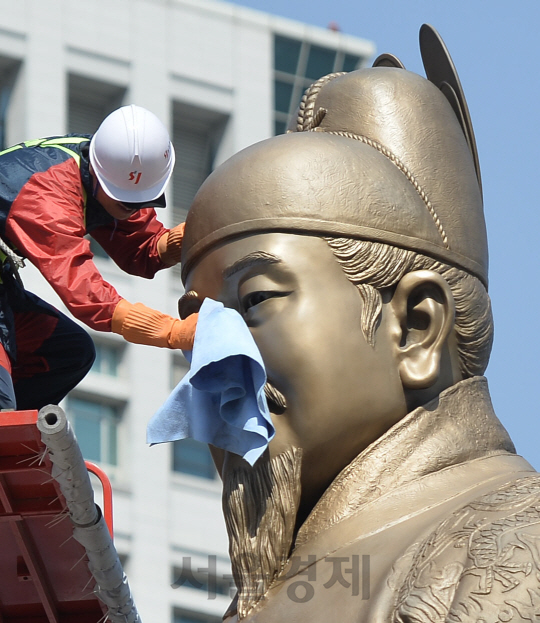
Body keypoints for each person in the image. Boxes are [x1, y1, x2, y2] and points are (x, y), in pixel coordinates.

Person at [177, 26, 540, 622]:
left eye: (255, 302)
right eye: (196, 325)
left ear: (415, 327)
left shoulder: (507, 546)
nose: (210, 362)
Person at [0, 104, 196, 411]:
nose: (134, 209)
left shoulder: (104, 164)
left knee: (66, 352)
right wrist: (174, 332)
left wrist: (204, 231)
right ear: (98, 175)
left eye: (144, 201)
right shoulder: (45, 196)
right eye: (125, 201)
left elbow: (142, 250)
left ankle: (14, 445)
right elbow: (89, 298)